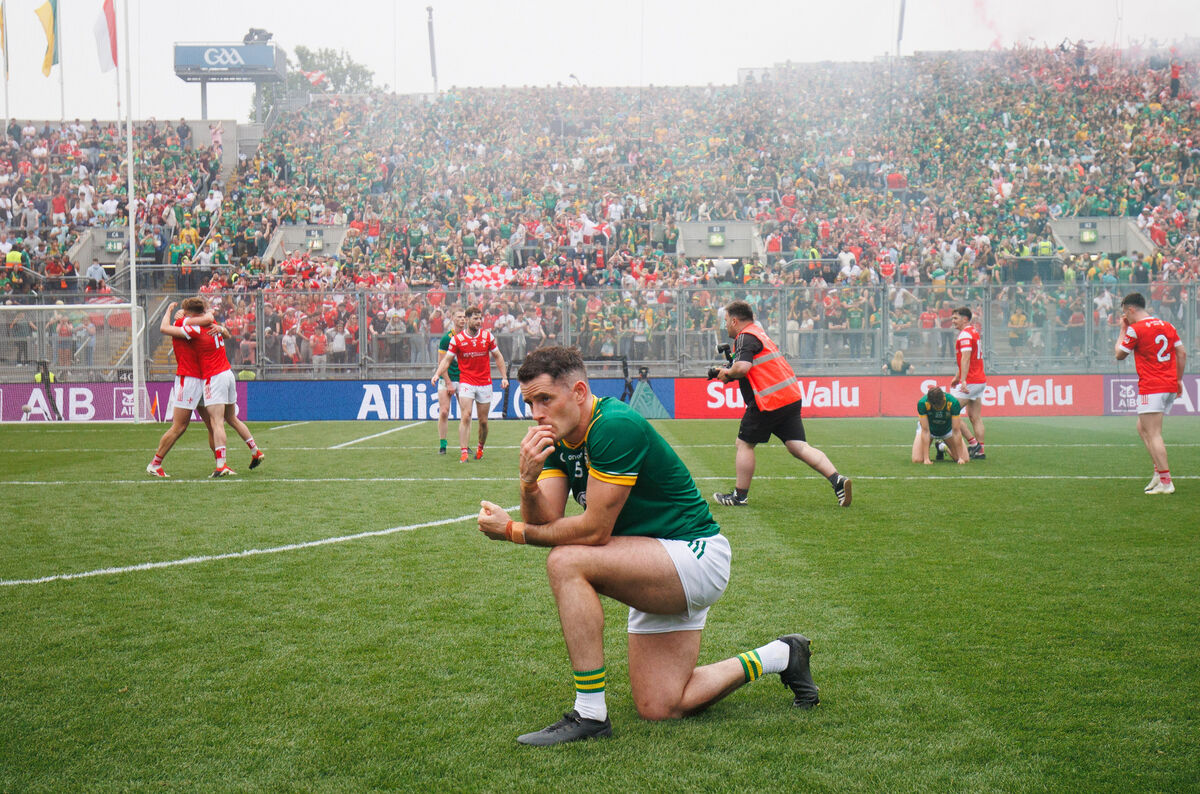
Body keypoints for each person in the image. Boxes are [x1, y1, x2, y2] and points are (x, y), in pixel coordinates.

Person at [477, 346, 819, 746]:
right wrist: (527, 481)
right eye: (530, 402)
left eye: (545, 399)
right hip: (651, 558)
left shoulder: (612, 425)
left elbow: (594, 532)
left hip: (694, 554)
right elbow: (545, 518)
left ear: (580, 392)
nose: (536, 413)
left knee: (567, 561)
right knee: (662, 706)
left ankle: (590, 714)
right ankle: (781, 655)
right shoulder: (558, 438)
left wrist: (512, 531)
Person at [710, 300, 851, 507]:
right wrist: (728, 373)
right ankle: (837, 480)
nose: (725, 326)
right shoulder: (758, 333)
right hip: (789, 396)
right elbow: (749, 367)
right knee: (798, 446)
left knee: (744, 444)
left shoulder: (745, 336)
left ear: (734, 320)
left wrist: (729, 373)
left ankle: (739, 496)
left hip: (768, 400)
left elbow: (742, 367)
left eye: (726, 321)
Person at [157, 298, 265, 477]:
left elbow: (165, 328)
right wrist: (221, 328)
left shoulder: (193, 328)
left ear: (189, 313)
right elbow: (225, 331)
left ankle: (221, 466)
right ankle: (255, 451)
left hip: (213, 376)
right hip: (228, 373)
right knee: (232, 419)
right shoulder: (213, 323)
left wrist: (172, 313)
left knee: (216, 422)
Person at [1115, 292, 1186, 495]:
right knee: (1143, 428)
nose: (1124, 318)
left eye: (1124, 314)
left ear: (1131, 309)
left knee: (1153, 433)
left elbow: (1119, 354)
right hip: (1168, 384)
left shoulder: (1135, 330)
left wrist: (1123, 330)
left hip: (1152, 386)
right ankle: (1158, 473)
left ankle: (1166, 481)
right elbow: (1182, 353)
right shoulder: (1168, 325)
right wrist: (1178, 379)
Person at [147, 298, 217, 478]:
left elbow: (207, 316)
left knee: (212, 424)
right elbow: (164, 328)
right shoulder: (189, 325)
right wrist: (171, 313)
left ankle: (221, 465)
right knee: (179, 426)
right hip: (189, 379)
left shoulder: (187, 321)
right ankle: (155, 463)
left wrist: (171, 311)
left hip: (201, 378)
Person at [431, 306, 508, 462]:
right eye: (475, 318)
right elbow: (446, 360)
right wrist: (437, 374)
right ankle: (464, 452)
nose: (479, 321)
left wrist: (504, 377)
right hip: (466, 381)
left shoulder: (488, 337)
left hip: (484, 382)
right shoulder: (456, 340)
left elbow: (498, 357)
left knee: (483, 421)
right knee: (465, 415)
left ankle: (480, 447)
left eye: (480, 318)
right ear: (467, 320)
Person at [949, 306, 987, 460]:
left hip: (971, 381)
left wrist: (963, 380)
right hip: (979, 380)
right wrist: (958, 376)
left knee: (950, 412)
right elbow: (969, 359)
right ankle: (980, 451)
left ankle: (973, 444)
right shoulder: (974, 331)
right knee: (975, 417)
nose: (953, 321)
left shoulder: (964, 335)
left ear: (965, 319)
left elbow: (965, 358)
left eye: (955, 318)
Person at [434, 308, 466, 454]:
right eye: (459, 316)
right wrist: (448, 382)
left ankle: (464, 445)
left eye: (464, 317)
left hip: (464, 379)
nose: (462, 319)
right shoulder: (447, 338)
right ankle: (443, 444)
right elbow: (441, 363)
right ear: (453, 318)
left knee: (466, 413)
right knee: (444, 412)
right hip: (447, 377)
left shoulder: (468, 337)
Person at [912, 385, 968, 465]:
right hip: (930, 429)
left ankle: (942, 447)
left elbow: (956, 430)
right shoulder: (922, 403)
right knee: (917, 460)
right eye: (934, 405)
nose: (937, 407)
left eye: (939, 405)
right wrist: (926, 459)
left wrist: (960, 458)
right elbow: (925, 430)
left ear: (943, 398)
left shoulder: (953, 403)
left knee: (965, 459)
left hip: (947, 429)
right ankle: (936, 448)